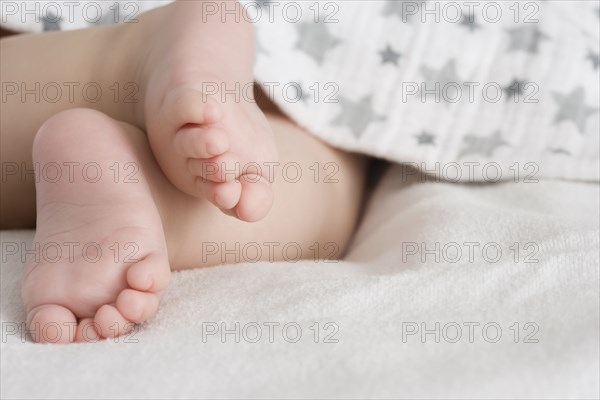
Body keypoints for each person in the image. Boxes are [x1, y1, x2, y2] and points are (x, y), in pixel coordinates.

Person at [0, 1, 368, 343]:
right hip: (320, 41)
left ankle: (128, 65)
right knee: (324, 176)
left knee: (273, 180)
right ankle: (157, 198)